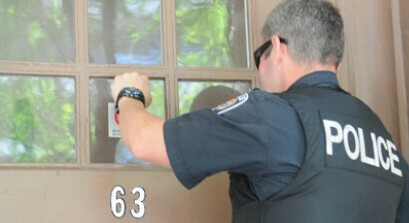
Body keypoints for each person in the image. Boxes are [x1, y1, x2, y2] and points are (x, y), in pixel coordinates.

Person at [110, 0, 409, 222]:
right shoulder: (383, 141)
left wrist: (129, 94)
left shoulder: (272, 116)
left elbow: (144, 142)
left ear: (277, 47)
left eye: (259, 55)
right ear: (336, 64)